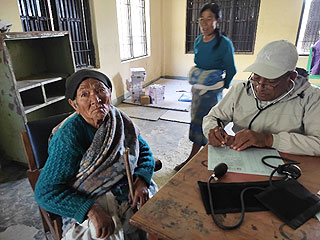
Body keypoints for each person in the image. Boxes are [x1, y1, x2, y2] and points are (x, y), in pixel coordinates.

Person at [34, 69, 159, 240]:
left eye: (100, 90)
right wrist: (90, 210)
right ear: (74, 104)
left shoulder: (119, 120)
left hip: (130, 191)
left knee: (160, 220)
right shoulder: (68, 137)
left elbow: (143, 150)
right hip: (89, 199)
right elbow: (45, 192)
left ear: (109, 93)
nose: (95, 99)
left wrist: (143, 179)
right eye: (84, 94)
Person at [203, 40, 320, 156]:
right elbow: (213, 117)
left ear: (292, 77)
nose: (259, 88)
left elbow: (318, 143)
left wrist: (269, 140)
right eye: (256, 78)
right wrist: (214, 130)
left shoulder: (312, 98)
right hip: (242, 155)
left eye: (271, 81)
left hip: (289, 162)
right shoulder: (240, 90)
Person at [174, 2, 236, 171]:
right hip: (197, 91)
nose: (205, 23)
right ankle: (194, 158)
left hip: (211, 93)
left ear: (218, 21)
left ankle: (199, 160)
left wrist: (221, 87)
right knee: (195, 123)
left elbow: (231, 69)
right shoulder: (199, 41)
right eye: (202, 19)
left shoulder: (224, 44)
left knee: (210, 126)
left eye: (209, 19)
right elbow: (198, 63)